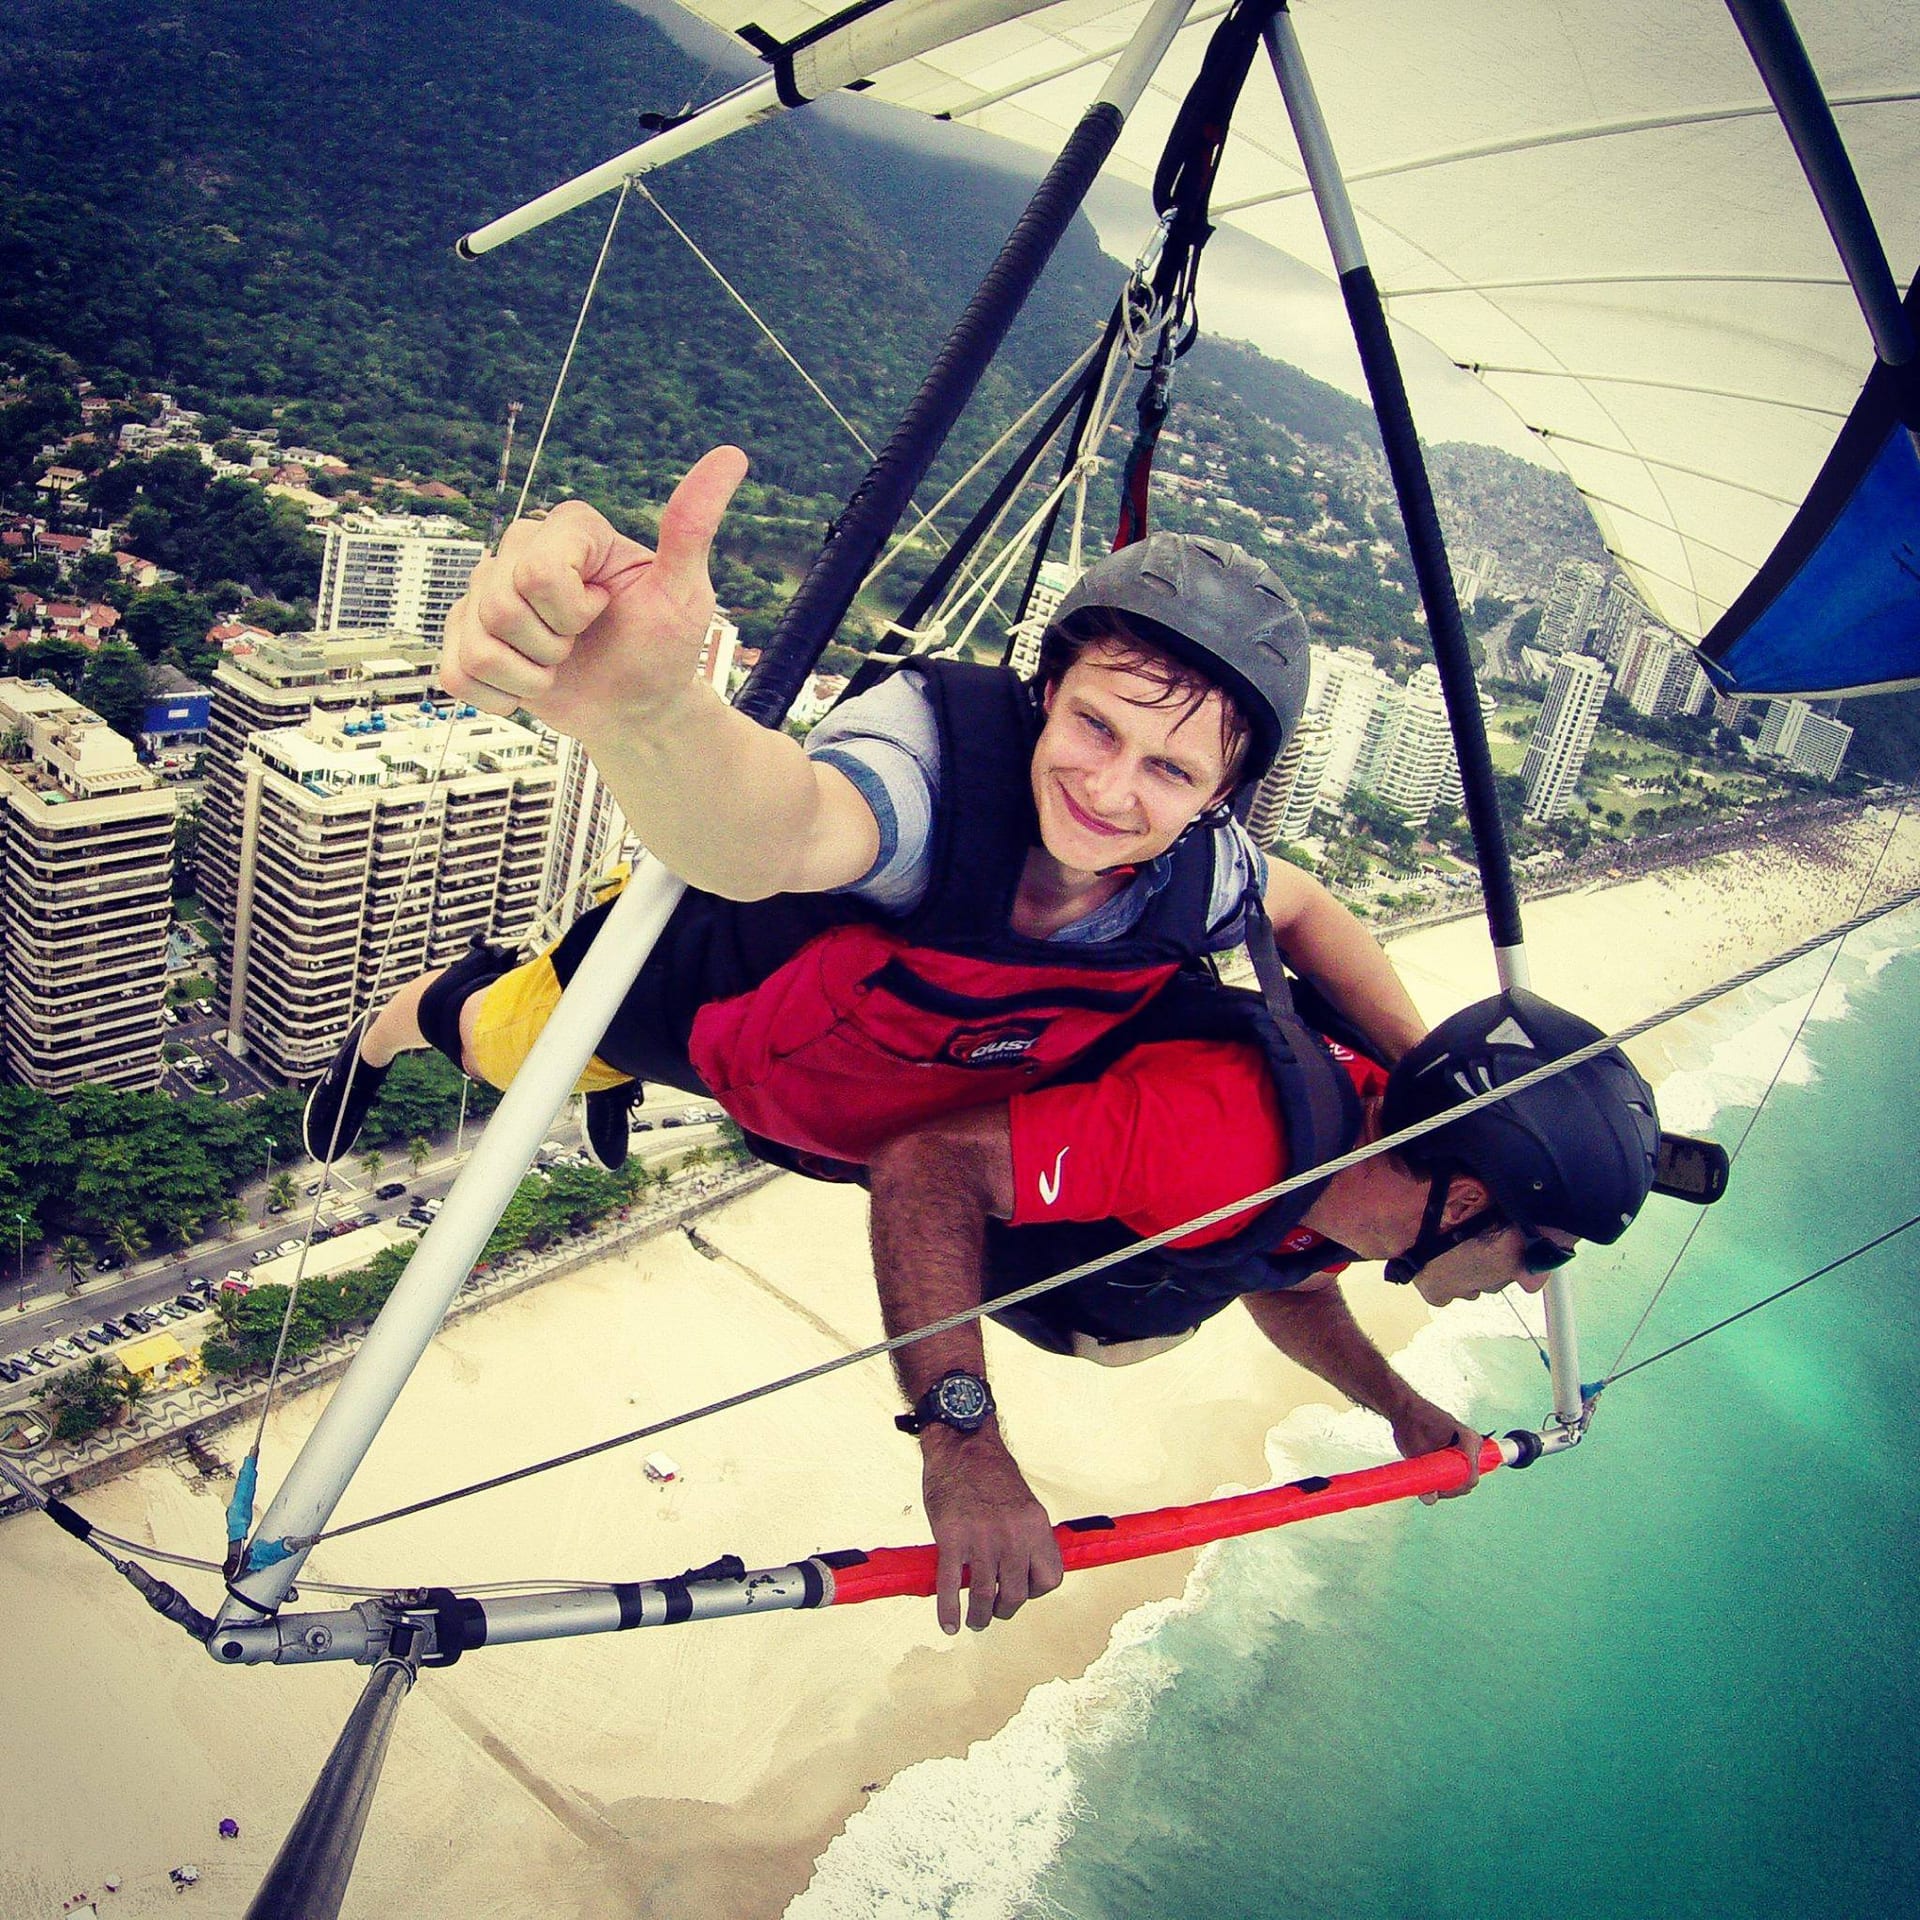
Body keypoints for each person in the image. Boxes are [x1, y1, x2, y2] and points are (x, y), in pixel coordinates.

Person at [304, 448, 1426, 1174]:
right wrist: (652, 713)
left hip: (796, 1068)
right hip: (675, 987)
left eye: (1172, 772)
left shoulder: (1205, 869)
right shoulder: (932, 773)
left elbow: (1312, 910)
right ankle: (377, 1033)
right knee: (500, 1038)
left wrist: (1425, 1068)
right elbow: (786, 827)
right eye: (1094, 726)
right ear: (1045, 696)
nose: (1111, 789)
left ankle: (607, 1083)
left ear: (1222, 797)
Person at [864, 986, 1681, 1634]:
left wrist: (1401, 1408)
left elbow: (1293, 1282)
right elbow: (927, 1167)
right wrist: (966, 1452)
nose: (1537, 1285)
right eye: (1543, 1252)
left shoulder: (1367, 1189)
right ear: (1466, 1201)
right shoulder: (1223, 1138)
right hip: (997, 1209)